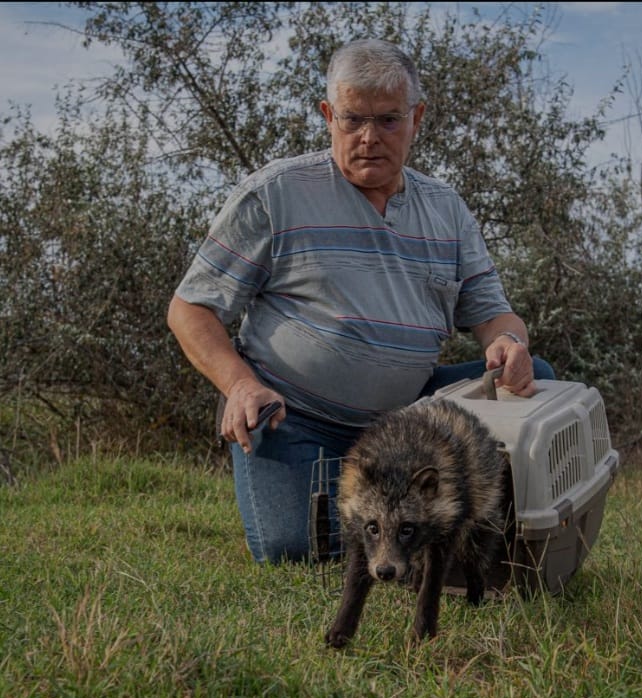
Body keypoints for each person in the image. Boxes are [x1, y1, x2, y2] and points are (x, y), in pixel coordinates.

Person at [167, 38, 554, 564]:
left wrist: (509, 343)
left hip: (411, 418)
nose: (369, 137)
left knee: (540, 378)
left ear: (417, 116)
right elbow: (190, 308)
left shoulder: (446, 208)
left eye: (389, 120)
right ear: (328, 115)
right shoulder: (275, 194)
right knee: (298, 552)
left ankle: (504, 542)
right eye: (352, 120)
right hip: (292, 415)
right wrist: (239, 386)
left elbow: (492, 314)